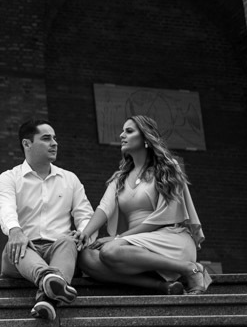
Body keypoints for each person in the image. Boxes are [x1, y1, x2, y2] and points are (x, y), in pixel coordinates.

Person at [77, 115, 211, 295]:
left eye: (129, 131)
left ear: (146, 138)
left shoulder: (168, 169)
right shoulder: (120, 178)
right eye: (122, 131)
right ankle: (162, 286)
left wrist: (118, 238)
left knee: (110, 251)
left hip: (169, 239)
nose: (121, 135)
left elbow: (161, 219)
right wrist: (84, 234)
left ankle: (189, 268)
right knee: (85, 257)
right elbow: (104, 208)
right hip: (133, 246)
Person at [0, 119, 94, 321]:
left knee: (68, 240)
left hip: (59, 251)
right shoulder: (9, 177)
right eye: (46, 138)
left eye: (55, 139)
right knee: (17, 244)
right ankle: (48, 280)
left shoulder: (70, 179)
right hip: (23, 254)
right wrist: (15, 231)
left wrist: (83, 232)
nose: (54, 143)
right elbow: (5, 207)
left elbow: (85, 215)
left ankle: (46, 300)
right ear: (27, 144)